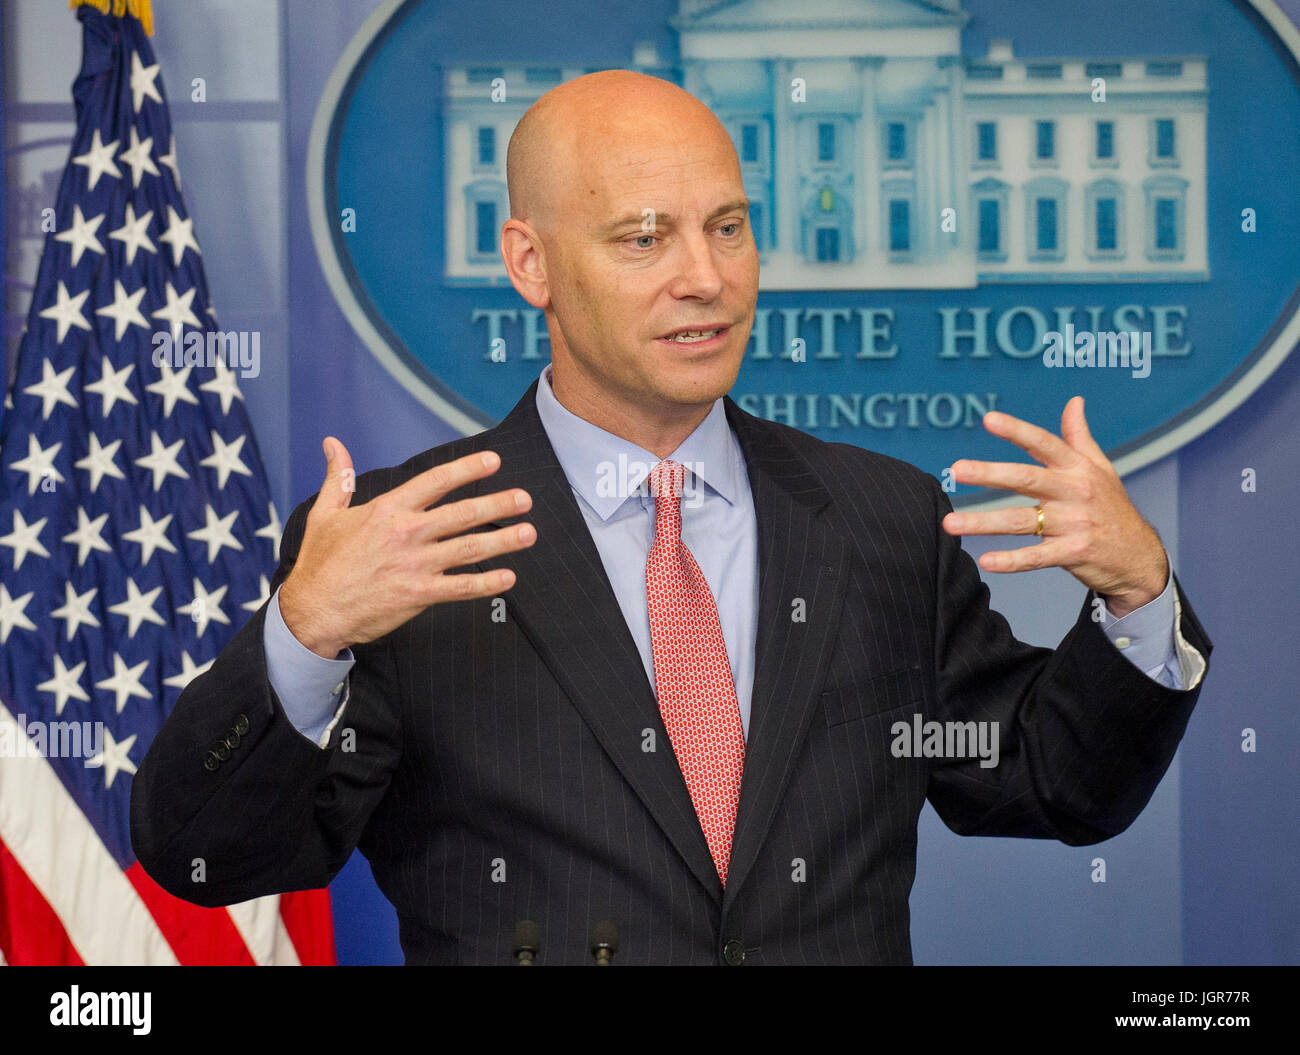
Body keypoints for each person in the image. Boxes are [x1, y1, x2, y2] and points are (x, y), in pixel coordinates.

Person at [131, 70, 1211, 965]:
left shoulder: (878, 516)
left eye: (727, 227)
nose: (706, 278)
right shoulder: (406, 534)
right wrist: (305, 635)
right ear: (529, 263)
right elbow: (206, 860)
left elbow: (1048, 779)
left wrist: (1137, 592)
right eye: (644, 239)